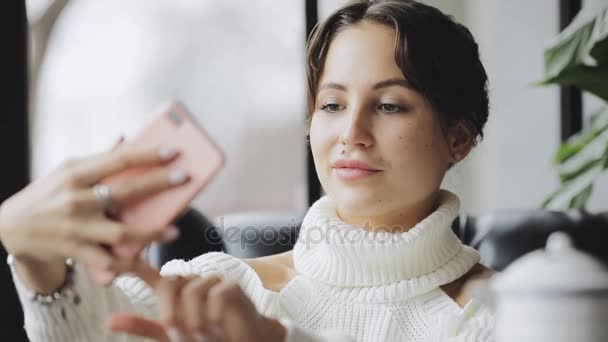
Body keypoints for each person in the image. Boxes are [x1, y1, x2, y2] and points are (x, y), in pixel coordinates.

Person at [0, 0, 495, 341]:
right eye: (332, 105)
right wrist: (35, 260)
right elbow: (90, 331)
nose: (352, 133)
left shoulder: (502, 315)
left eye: (389, 106)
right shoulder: (224, 288)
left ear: (458, 137)